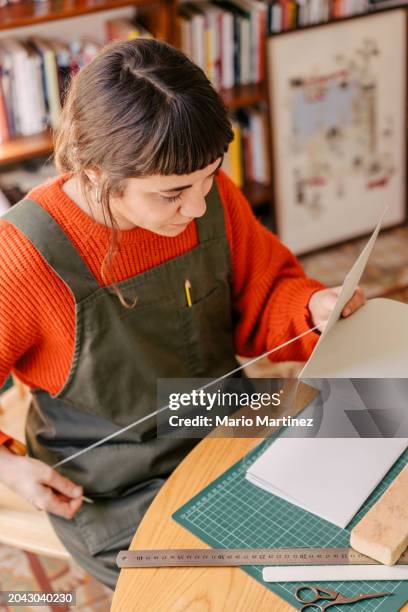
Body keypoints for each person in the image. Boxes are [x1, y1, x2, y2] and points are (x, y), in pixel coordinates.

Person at [0, 38, 365, 589]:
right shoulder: (24, 256)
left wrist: (311, 307)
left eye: (210, 178)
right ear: (96, 173)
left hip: (228, 421)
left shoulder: (203, 192)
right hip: (116, 486)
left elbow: (266, 295)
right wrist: (7, 466)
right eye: (171, 195)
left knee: (354, 531)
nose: (196, 208)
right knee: (223, 593)